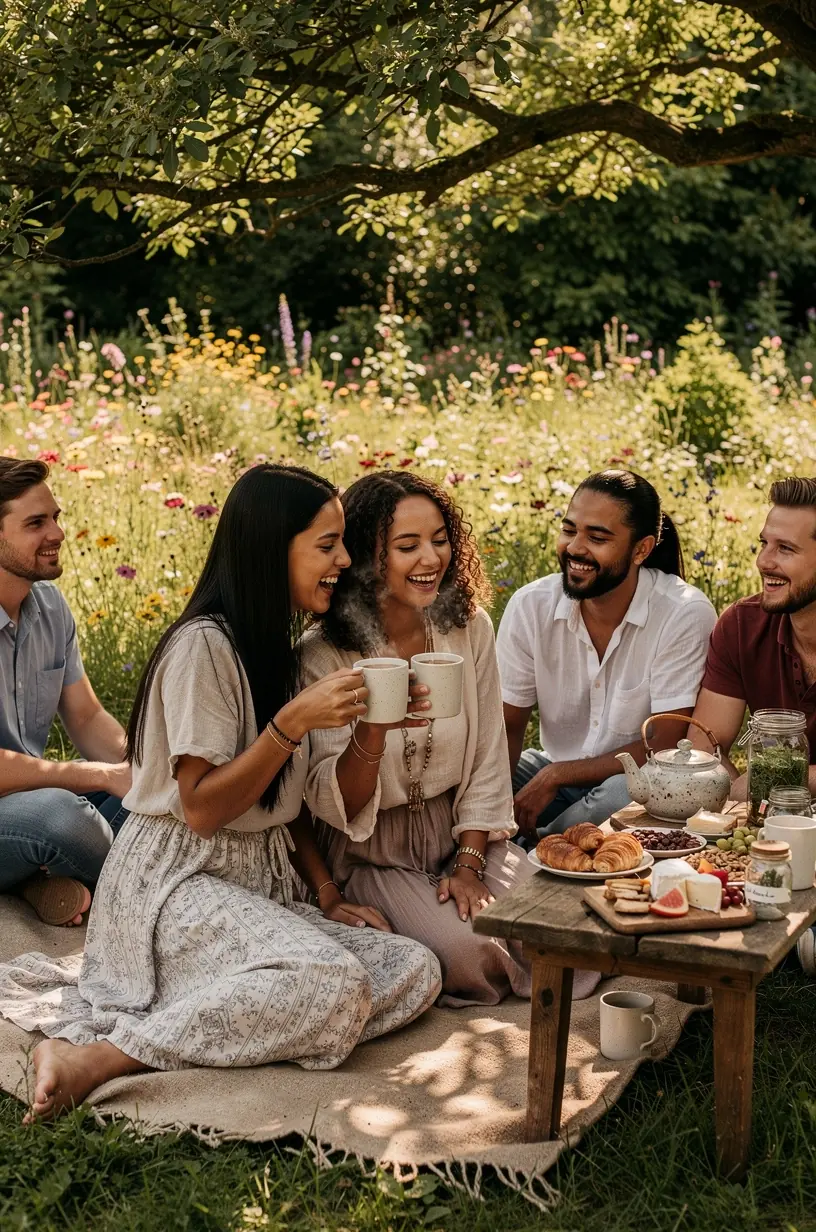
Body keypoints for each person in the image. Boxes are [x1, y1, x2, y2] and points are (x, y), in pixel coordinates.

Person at [0, 464, 441, 1121]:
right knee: (332, 984)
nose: (345, 561)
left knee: (413, 968)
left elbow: (292, 805)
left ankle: (228, 1010)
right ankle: (99, 1058)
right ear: (271, 551)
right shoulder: (202, 647)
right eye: (327, 546)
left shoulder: (279, 647)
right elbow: (203, 809)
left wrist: (372, 735)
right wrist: (290, 726)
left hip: (258, 882)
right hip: (179, 882)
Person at [302, 469, 539, 1009]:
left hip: (461, 832)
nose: (431, 558)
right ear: (366, 558)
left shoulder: (468, 627)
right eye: (408, 546)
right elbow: (338, 804)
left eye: (439, 539)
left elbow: (488, 754)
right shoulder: (324, 654)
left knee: (550, 924)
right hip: (371, 853)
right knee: (471, 950)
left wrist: (470, 863)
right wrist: (375, 729)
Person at [497, 470, 717, 846]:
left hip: (637, 783)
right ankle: (505, 843)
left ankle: (536, 853)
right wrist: (489, 806)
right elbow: (507, 728)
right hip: (551, 766)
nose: (575, 548)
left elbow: (664, 745)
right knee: (465, 776)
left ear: (641, 549)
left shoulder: (682, 612)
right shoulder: (531, 605)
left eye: (597, 538)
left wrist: (559, 775)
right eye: (569, 530)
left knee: (621, 794)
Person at [688, 476, 816, 974]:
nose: (764, 561)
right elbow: (705, 743)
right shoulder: (743, 625)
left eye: (785, 549)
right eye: (764, 543)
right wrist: (728, 783)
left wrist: (780, 782)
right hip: (767, 824)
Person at [0, 458, 130, 927]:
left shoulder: (51, 607)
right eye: (36, 523)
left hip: (27, 798)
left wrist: (141, 769)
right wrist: (102, 776)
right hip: (34, 807)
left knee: (148, 798)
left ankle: (36, 876)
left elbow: (86, 717)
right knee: (64, 817)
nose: (57, 532)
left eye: (55, 518)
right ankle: (132, 875)